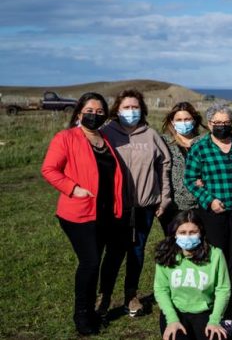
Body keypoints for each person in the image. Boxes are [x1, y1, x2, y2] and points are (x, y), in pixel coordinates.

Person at [41, 92, 126, 335]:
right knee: (89, 263)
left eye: (100, 112)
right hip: (79, 213)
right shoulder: (66, 137)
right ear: (79, 113)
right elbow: (49, 169)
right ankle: (82, 316)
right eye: (90, 111)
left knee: (94, 262)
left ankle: (91, 309)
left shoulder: (104, 138)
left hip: (105, 212)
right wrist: (73, 188)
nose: (94, 115)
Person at [101, 89, 172, 317]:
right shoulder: (106, 133)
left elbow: (165, 164)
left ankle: (131, 296)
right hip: (116, 206)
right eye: (126, 107)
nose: (131, 111)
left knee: (137, 251)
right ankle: (104, 296)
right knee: (113, 251)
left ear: (141, 110)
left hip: (145, 205)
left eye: (135, 107)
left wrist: (165, 196)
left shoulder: (150, 134)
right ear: (117, 110)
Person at [184, 103, 232, 304]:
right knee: (217, 253)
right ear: (209, 124)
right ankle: (217, 293)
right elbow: (190, 179)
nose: (222, 126)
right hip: (213, 212)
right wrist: (209, 201)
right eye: (217, 123)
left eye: (226, 122)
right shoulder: (200, 148)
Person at [153, 210, 231, 340]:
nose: (188, 237)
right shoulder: (165, 254)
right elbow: (161, 289)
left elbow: (223, 289)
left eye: (193, 232)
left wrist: (214, 320)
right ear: (174, 234)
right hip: (176, 311)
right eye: (182, 233)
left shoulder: (216, 255)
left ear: (201, 233)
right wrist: (172, 319)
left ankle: (226, 324)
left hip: (205, 312)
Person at [160, 102, 205, 227]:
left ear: (194, 121)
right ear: (172, 122)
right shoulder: (164, 143)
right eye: (179, 119)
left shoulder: (204, 142)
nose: (183, 122)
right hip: (173, 206)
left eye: (187, 119)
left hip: (201, 203)